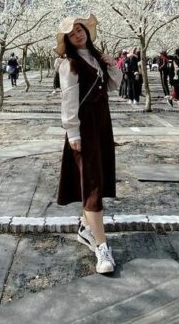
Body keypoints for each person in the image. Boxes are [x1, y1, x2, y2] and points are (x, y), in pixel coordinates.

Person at [55, 14, 122, 275]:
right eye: (72, 34)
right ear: (68, 40)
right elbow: (68, 99)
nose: (78, 35)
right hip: (84, 127)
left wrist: (111, 64)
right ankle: (102, 246)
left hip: (101, 124)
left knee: (96, 178)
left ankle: (86, 229)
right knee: (91, 182)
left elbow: (115, 85)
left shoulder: (96, 57)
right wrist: (73, 133)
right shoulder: (69, 64)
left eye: (80, 30)